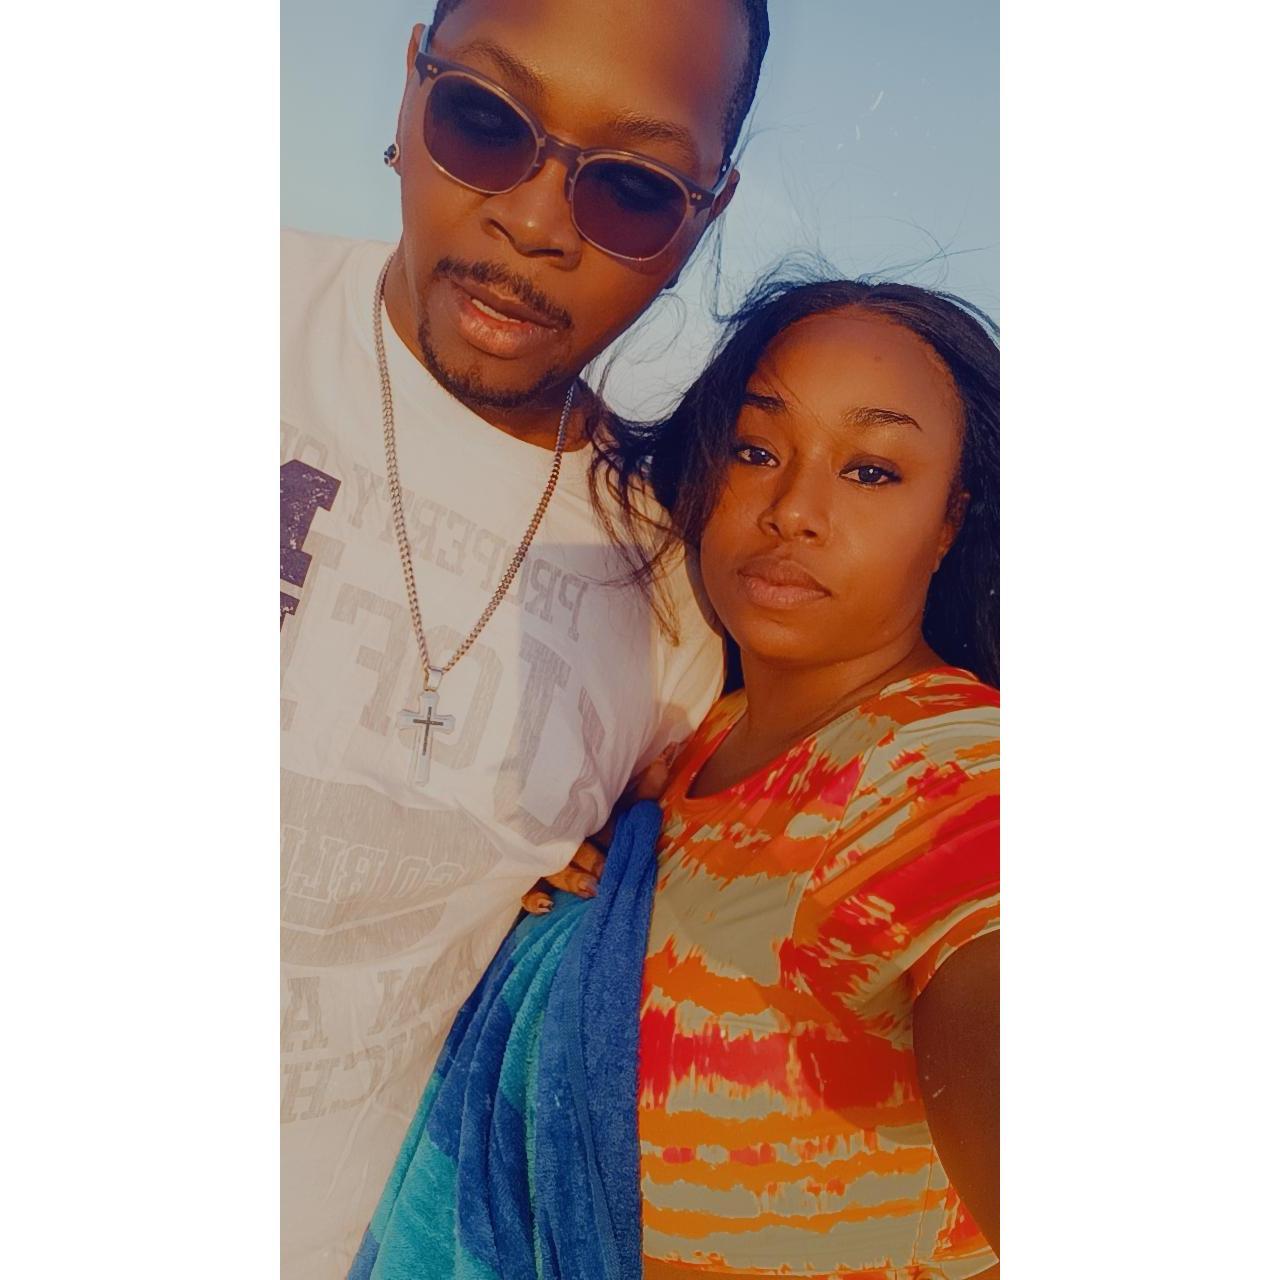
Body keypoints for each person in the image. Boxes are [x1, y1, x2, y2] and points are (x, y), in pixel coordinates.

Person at [354, 273, 1001, 1279]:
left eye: (872, 471)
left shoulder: (951, 779)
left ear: (950, 520)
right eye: (755, 450)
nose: (793, 510)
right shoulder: (696, 740)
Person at [280, 0, 771, 1274]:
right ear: (410, 88)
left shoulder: (672, 599)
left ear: (703, 216)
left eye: (630, 189)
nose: (537, 221)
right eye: (485, 122)